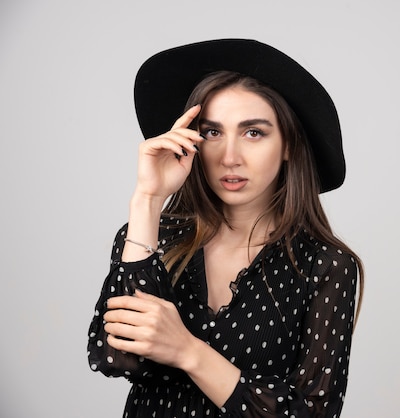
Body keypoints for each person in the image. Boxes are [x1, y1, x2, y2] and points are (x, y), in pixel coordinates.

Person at [86, 39, 364, 417]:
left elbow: (313, 412)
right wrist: (148, 200)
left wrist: (188, 351)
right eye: (213, 132)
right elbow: (115, 356)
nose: (230, 157)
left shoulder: (324, 265)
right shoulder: (152, 236)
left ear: (288, 145)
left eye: (253, 133)